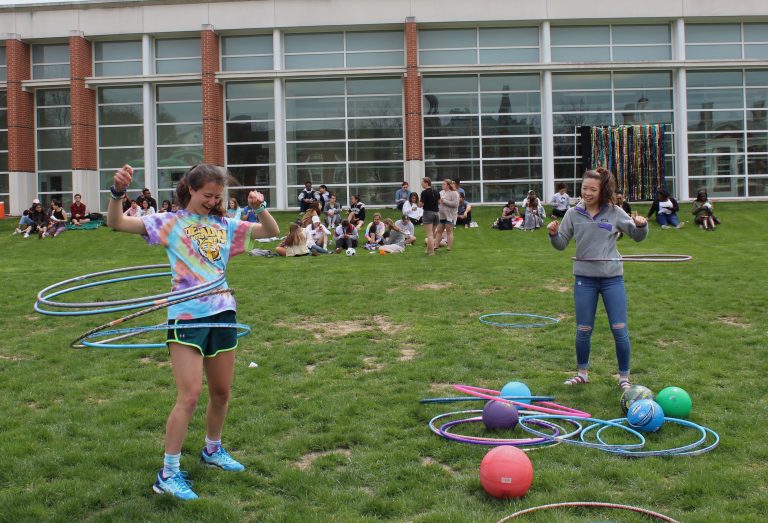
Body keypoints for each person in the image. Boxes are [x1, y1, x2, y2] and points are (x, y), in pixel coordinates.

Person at [108, 163, 279, 500]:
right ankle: (168, 473)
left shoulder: (225, 225)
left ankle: (212, 450)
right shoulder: (169, 222)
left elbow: (270, 231)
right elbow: (116, 223)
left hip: (223, 313)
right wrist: (117, 194)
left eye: (218, 196)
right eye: (207, 195)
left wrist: (259, 207)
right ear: (189, 189)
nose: (213, 201)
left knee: (222, 392)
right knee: (188, 396)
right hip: (187, 316)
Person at [547, 167, 648, 390]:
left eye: (593, 189)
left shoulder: (614, 212)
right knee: (583, 328)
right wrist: (553, 234)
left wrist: (642, 225)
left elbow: (637, 236)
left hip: (612, 279)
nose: (587, 193)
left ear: (603, 190)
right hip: (585, 278)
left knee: (619, 328)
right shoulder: (573, 214)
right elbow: (561, 244)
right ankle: (582, 373)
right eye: (584, 188)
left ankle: (624, 378)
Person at [435, 179, 459, 250]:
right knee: (439, 231)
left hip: (450, 216)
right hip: (441, 215)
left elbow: (455, 204)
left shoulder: (454, 193)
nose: (442, 185)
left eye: (444, 184)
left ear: (448, 185)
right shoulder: (441, 192)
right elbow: (438, 202)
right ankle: (436, 246)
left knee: (449, 231)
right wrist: (438, 202)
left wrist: (444, 201)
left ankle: (449, 247)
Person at [420, 177, 440, 255]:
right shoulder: (436, 191)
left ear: (426, 183)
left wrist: (418, 204)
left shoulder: (424, 192)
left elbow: (421, 204)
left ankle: (432, 252)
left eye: (422, 182)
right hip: (436, 214)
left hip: (428, 213)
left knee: (429, 235)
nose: (421, 184)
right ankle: (428, 250)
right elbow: (439, 202)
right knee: (432, 233)